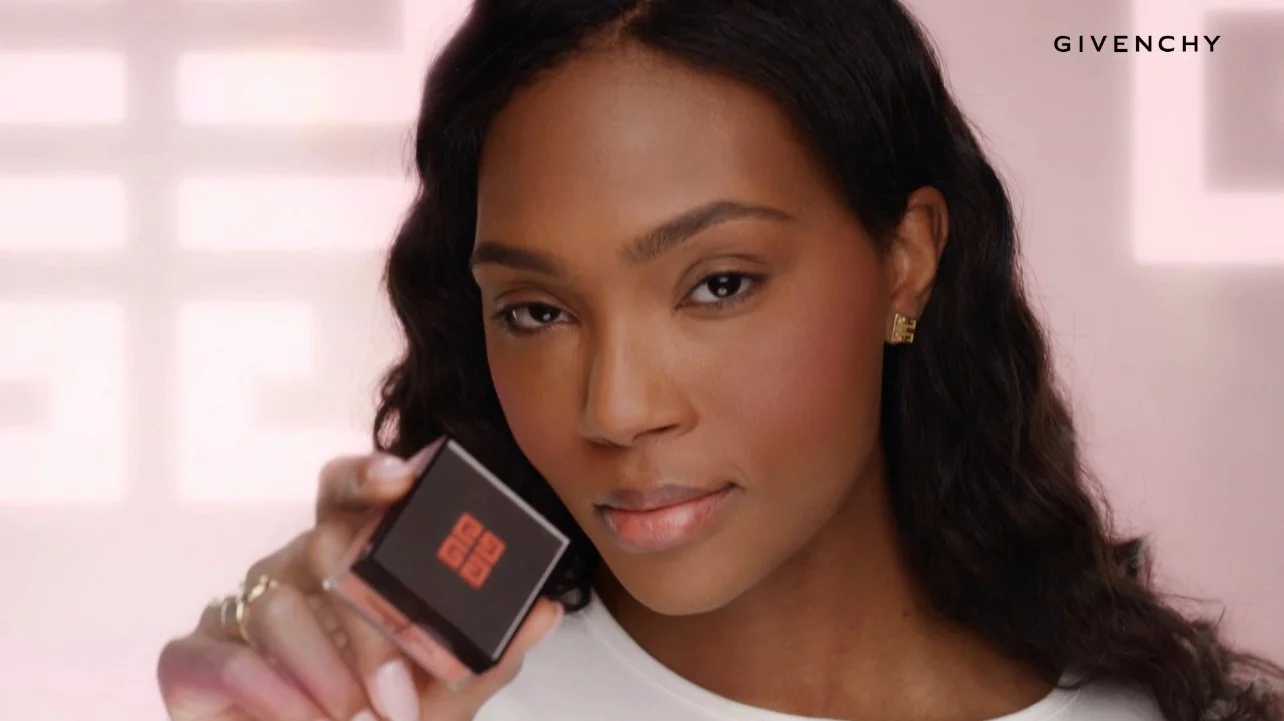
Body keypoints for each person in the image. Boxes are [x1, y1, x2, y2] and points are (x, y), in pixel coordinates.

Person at [155, 1, 1284, 720]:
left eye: (719, 284)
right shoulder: (428, 706)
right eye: (538, 310)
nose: (616, 409)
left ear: (905, 261)